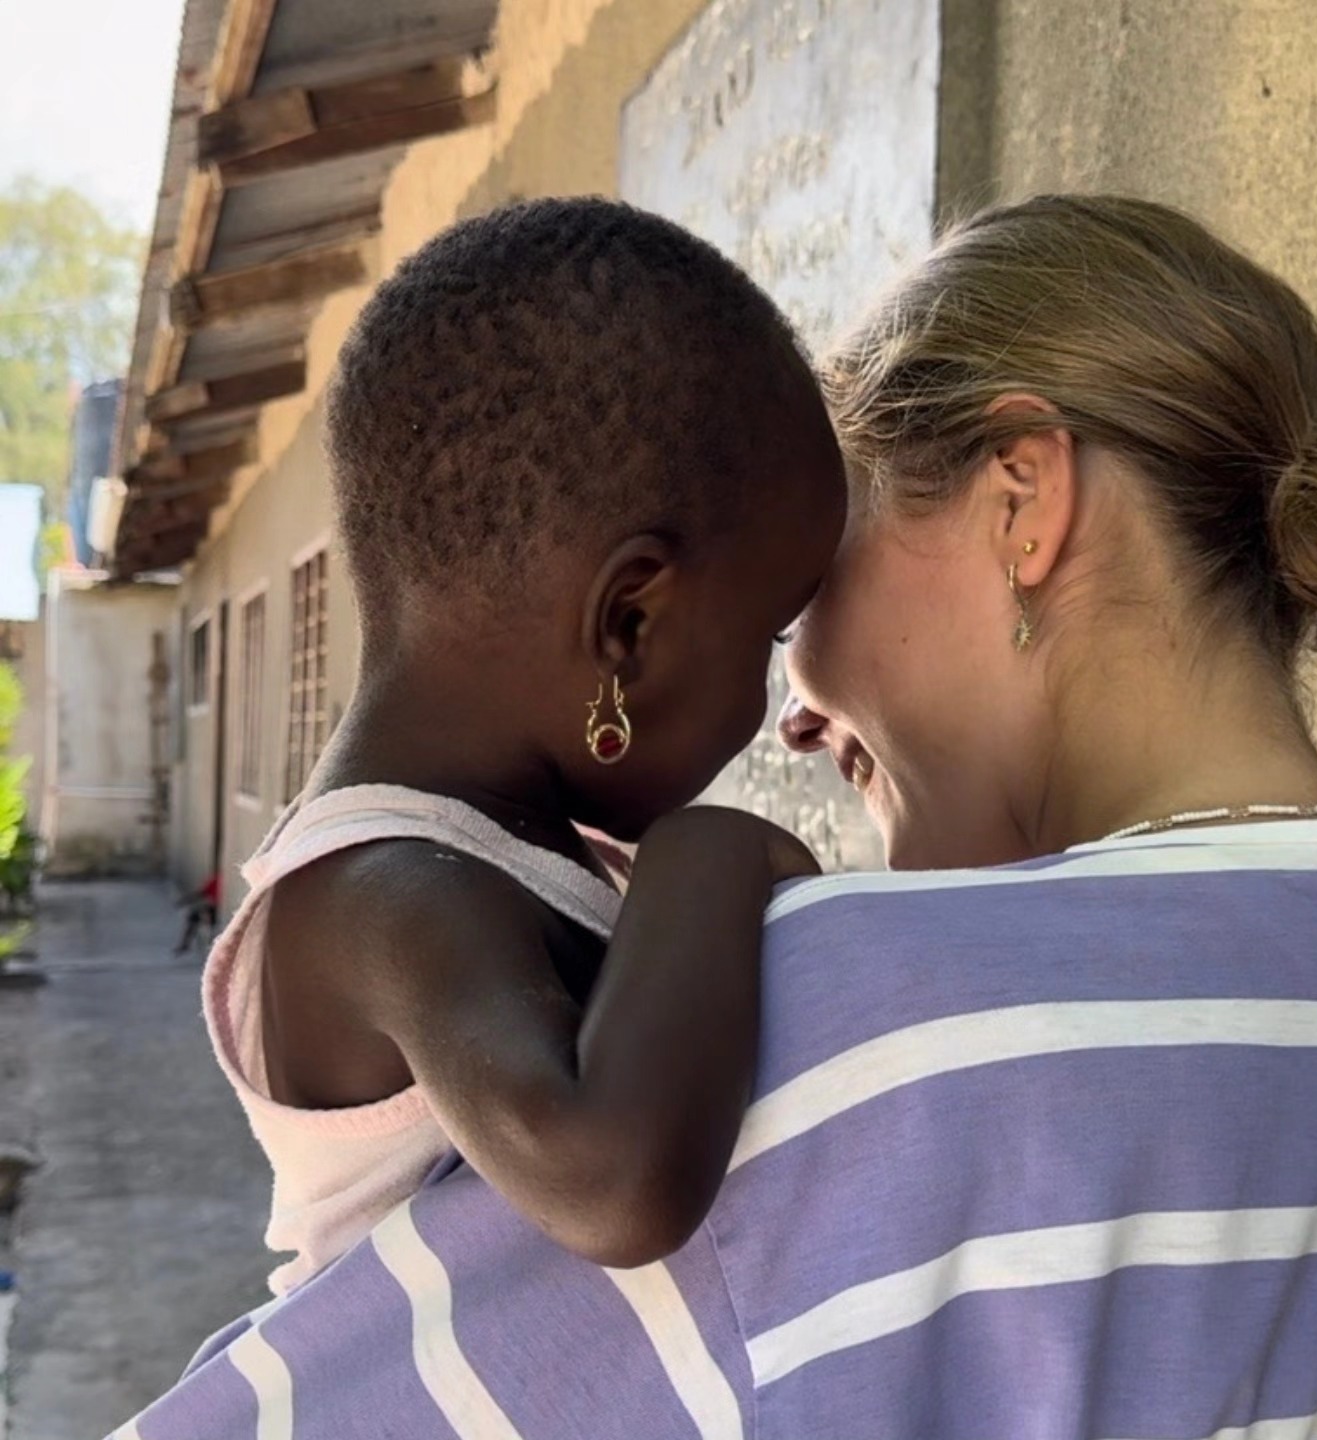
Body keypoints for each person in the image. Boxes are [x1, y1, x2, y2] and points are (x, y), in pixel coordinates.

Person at [114, 196, 1317, 1440]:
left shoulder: (836, 1010)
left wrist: (716, 860)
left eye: (811, 595)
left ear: (1024, 505)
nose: (790, 713)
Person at [201, 197, 845, 1296]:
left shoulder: (507, 853)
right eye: (769, 635)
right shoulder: (379, 891)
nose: (774, 704)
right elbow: (608, 1182)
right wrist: (710, 853)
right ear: (627, 626)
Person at [172, 871, 219, 956]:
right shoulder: (216, 879)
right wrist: (184, 901)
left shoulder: (224, 880)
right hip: (212, 908)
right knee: (193, 916)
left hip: (219, 910)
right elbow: (202, 893)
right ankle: (185, 944)